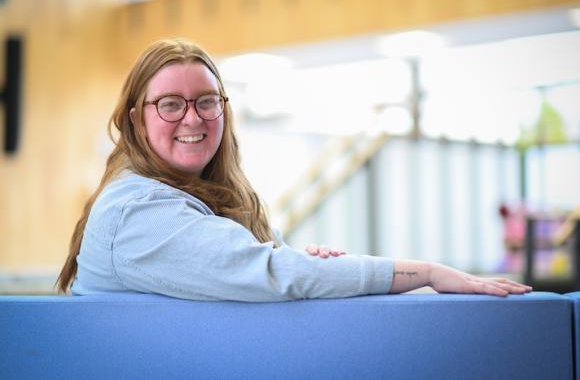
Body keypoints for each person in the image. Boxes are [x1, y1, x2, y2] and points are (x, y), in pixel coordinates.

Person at [56, 38, 531, 301]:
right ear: (136, 117)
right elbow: (270, 274)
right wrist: (424, 272)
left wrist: (305, 259)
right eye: (170, 104)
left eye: (206, 101)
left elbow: (262, 268)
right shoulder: (137, 210)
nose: (193, 118)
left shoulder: (201, 198)